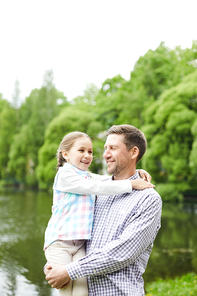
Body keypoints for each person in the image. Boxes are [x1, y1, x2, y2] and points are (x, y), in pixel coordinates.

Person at [45, 126, 162, 296]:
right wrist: (56, 265)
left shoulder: (148, 199)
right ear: (65, 154)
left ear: (133, 152)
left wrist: (68, 270)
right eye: (105, 148)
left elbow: (122, 252)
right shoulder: (96, 189)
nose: (105, 154)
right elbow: (73, 233)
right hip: (81, 283)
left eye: (113, 148)